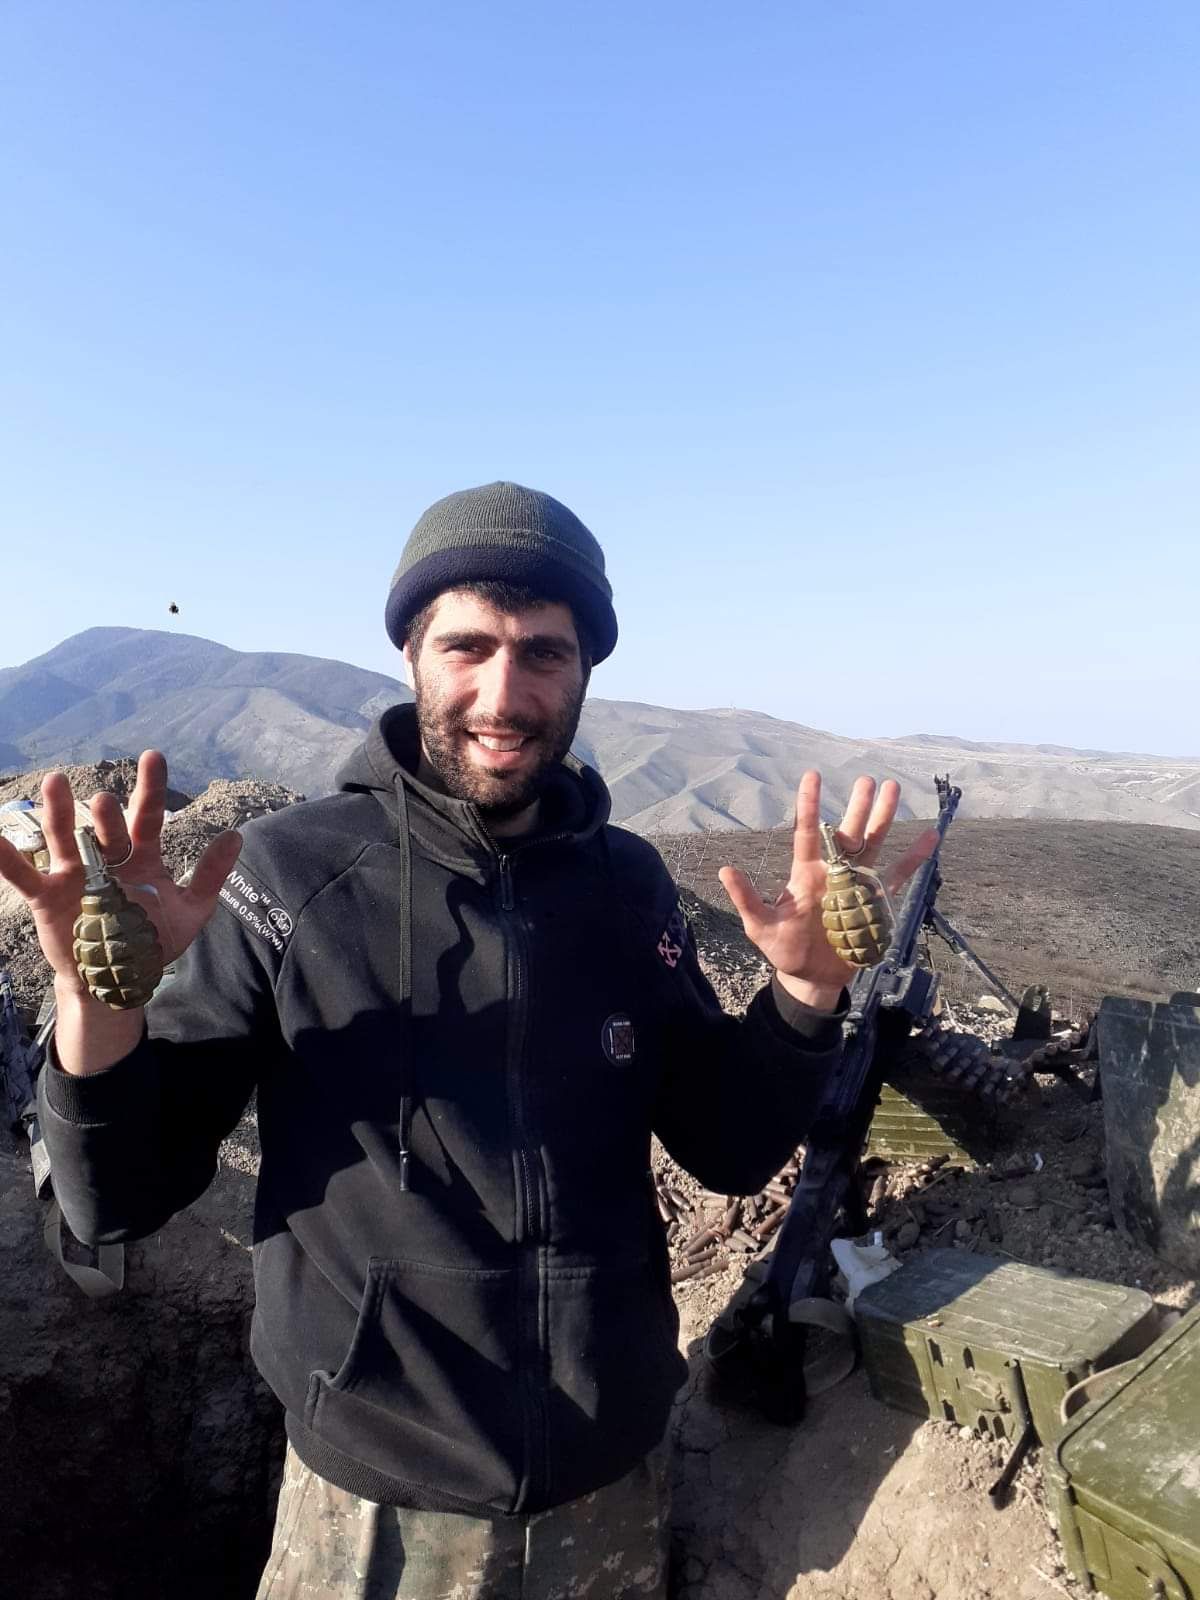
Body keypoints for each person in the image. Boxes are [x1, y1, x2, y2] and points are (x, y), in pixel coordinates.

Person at [3, 482, 934, 1600]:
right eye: (468, 647)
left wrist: (804, 992)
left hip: (610, 1480)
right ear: (410, 653)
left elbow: (729, 1149)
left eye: (544, 653)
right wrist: (99, 1005)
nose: (504, 694)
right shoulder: (287, 876)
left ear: (584, 670)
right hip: (371, 1513)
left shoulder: (627, 884)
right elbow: (117, 1200)